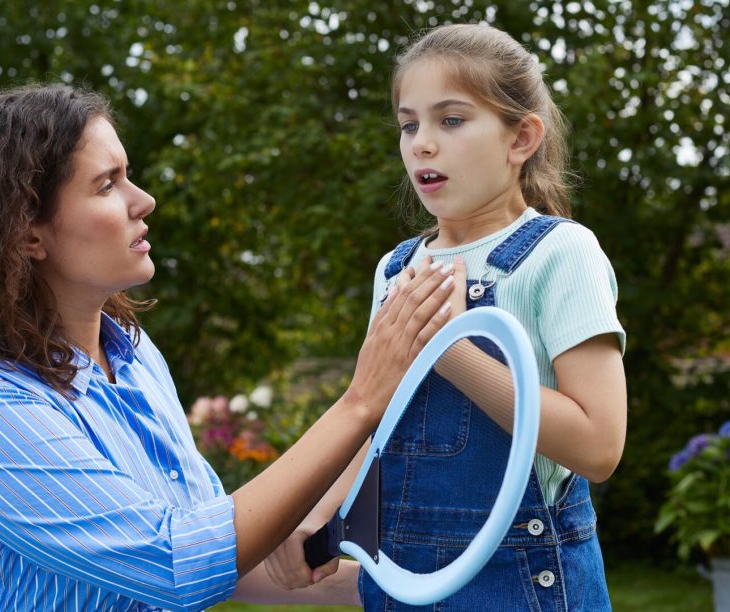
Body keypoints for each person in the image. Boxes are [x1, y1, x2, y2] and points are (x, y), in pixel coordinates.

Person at [0, 84, 459, 610]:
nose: (142, 200)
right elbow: (176, 563)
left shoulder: (133, 354)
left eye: (129, 177)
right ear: (27, 234)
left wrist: (421, 587)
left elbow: (214, 540)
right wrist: (361, 402)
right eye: (106, 185)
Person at [263, 23, 628, 611]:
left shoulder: (561, 254)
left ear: (521, 138)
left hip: (520, 582)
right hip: (399, 580)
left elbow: (599, 446)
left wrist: (450, 350)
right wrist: (323, 510)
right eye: (409, 124)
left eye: (450, 120)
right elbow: (376, 416)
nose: (421, 144)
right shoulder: (396, 269)